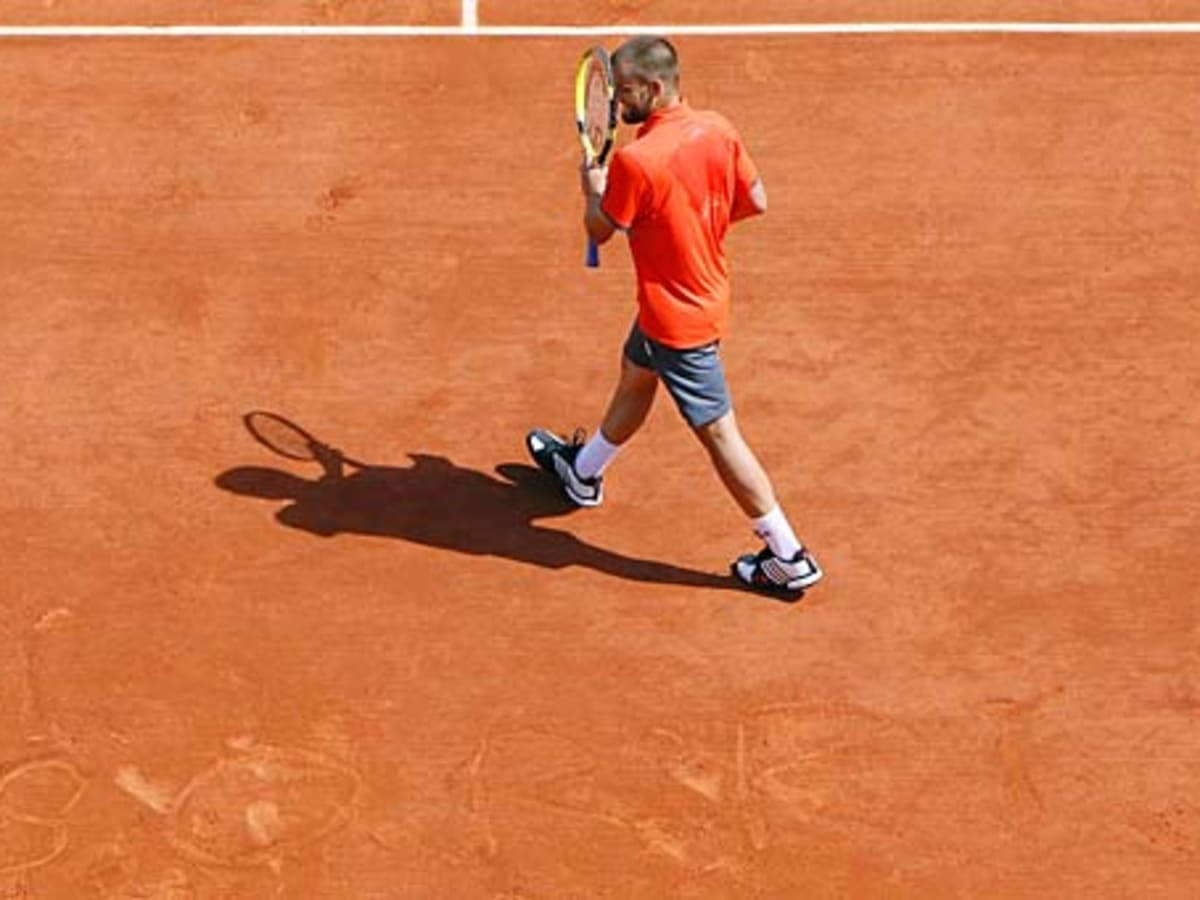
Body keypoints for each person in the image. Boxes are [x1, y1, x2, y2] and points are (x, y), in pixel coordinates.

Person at [527, 35, 823, 598]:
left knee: (719, 434)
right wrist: (690, 233)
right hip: (699, 295)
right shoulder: (718, 127)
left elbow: (600, 232)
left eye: (625, 92)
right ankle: (584, 473)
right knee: (636, 372)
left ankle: (788, 554)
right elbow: (754, 200)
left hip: (678, 322)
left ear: (655, 88)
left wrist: (590, 190)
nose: (615, 105)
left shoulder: (636, 162)